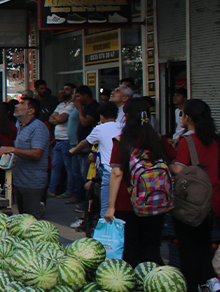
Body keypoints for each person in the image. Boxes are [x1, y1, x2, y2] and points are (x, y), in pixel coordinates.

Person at [169, 99, 220, 292]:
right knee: (202, 244)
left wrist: (166, 161)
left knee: (188, 248)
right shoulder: (215, 139)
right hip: (213, 199)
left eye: (182, 114)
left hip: (191, 203)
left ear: (189, 117)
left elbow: (180, 169)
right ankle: (211, 282)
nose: (180, 117)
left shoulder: (187, 141)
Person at [104, 97, 169, 266]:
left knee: (130, 247)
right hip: (156, 200)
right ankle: (154, 281)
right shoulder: (158, 140)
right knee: (152, 247)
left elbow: (117, 173)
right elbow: (173, 164)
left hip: (128, 202)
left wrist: (111, 207)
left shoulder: (122, 141)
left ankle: (133, 285)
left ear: (126, 117)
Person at [69, 102, 120, 230]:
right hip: (123, 170)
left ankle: (105, 235)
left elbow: (85, 143)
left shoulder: (99, 129)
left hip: (108, 170)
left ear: (101, 116)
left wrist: (74, 151)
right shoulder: (122, 126)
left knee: (105, 206)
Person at [0, 96, 50, 219]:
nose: (16, 105)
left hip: (32, 183)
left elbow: (37, 154)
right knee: (22, 219)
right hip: (20, 181)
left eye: (21, 104)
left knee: (31, 220)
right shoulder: (21, 126)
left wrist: (12, 149)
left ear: (31, 111)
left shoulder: (38, 127)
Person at [48, 85, 76, 200]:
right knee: (55, 167)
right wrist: (57, 118)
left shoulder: (72, 105)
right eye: (63, 89)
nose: (63, 91)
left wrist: (57, 118)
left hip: (66, 140)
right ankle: (51, 190)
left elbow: (60, 119)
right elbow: (51, 118)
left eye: (67, 89)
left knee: (69, 168)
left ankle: (69, 191)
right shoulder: (60, 105)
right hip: (58, 140)